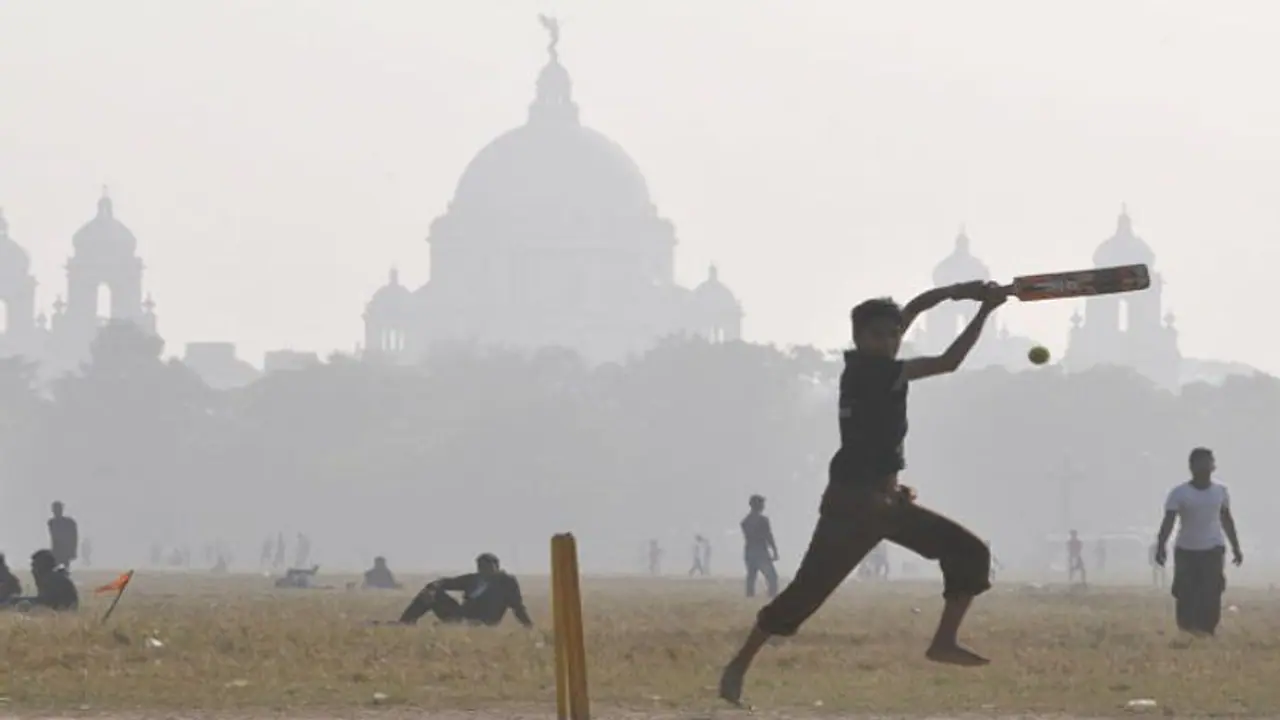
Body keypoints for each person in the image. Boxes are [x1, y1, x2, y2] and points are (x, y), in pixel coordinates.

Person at [719, 280, 1003, 707]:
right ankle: (738, 665)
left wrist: (957, 291)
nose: (889, 342)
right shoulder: (876, 372)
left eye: (893, 335)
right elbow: (949, 361)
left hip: (885, 501)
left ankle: (944, 641)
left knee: (969, 552)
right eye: (879, 336)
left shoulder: (873, 360)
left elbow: (914, 308)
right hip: (855, 505)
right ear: (858, 338)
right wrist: (984, 312)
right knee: (806, 592)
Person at [1154, 447, 1242, 637]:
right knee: (1185, 591)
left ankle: (1207, 629)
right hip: (1186, 549)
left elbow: (1227, 520)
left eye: (1208, 462)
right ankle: (1187, 628)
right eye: (1201, 463)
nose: (1205, 466)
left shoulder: (1220, 492)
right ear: (1191, 466)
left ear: (1213, 466)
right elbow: (1168, 521)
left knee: (1212, 590)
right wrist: (1161, 546)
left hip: (1213, 549)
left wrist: (1236, 547)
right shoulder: (1179, 493)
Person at [397, 552, 533, 627]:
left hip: (482, 623)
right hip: (459, 616)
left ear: (496, 567)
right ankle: (405, 622)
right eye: (480, 567)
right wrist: (432, 588)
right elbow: (445, 582)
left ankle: (452, 626)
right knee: (432, 593)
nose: (484, 570)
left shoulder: (506, 582)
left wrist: (529, 626)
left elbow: (518, 607)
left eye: (487, 567)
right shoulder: (474, 579)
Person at [741, 494, 779, 598]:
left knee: (751, 577)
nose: (763, 506)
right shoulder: (763, 520)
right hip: (761, 552)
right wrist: (775, 551)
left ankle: (750, 598)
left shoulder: (745, 521)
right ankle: (772, 598)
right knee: (772, 577)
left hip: (749, 552)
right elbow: (768, 536)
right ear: (758, 505)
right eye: (762, 503)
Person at [48, 501, 78, 569]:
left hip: (65, 549)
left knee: (65, 567)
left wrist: (73, 550)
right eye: (55, 509)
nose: (56, 511)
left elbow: (74, 537)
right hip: (56, 549)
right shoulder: (52, 522)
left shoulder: (69, 522)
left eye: (58, 509)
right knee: (56, 567)